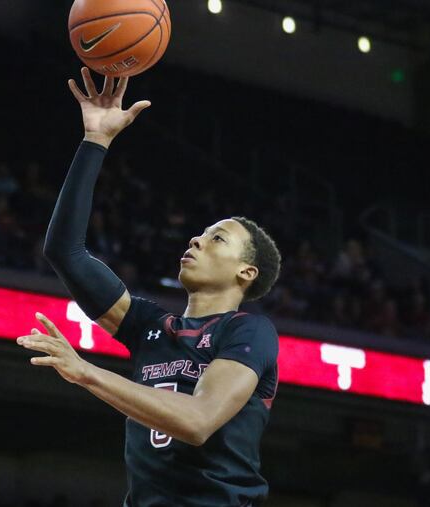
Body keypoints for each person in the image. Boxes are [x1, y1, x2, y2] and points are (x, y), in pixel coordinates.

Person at [16, 67, 282, 507]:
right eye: (200, 232)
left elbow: (198, 421)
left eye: (217, 238)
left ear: (246, 273)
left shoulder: (249, 332)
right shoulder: (150, 327)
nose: (196, 239)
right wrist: (95, 141)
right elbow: (65, 251)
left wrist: (87, 372)